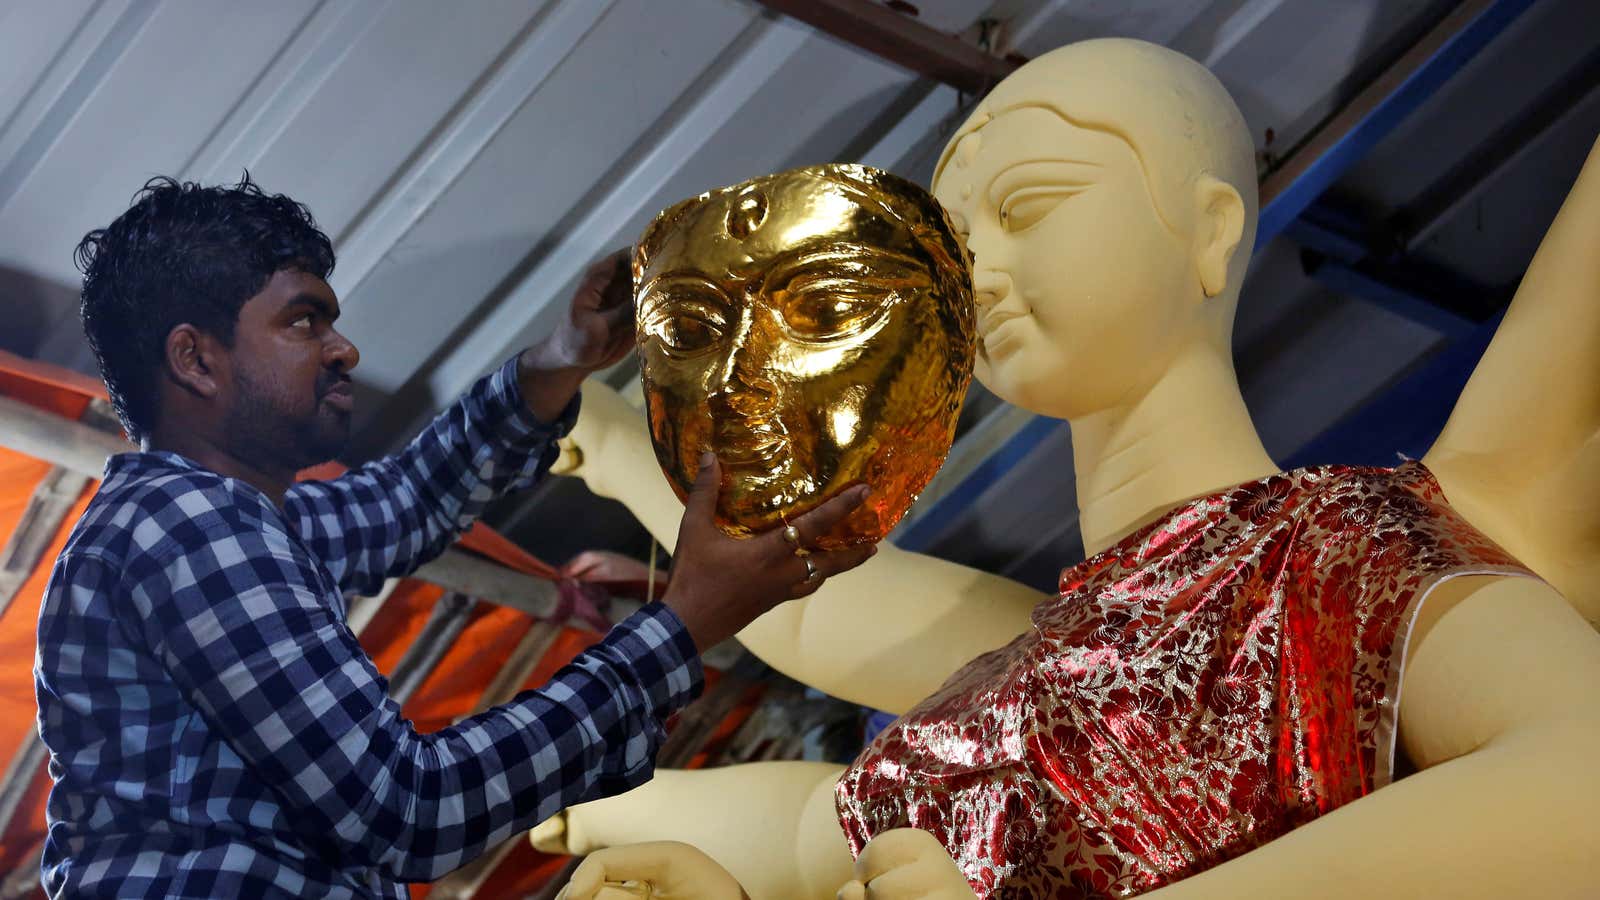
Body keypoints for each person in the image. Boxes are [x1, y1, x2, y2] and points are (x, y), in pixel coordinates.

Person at [33, 174, 876, 898]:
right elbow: (407, 807)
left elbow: (404, 506)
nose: (343, 348)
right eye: (302, 322)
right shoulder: (185, 530)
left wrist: (562, 358)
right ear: (196, 360)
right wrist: (682, 626)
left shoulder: (231, 527)